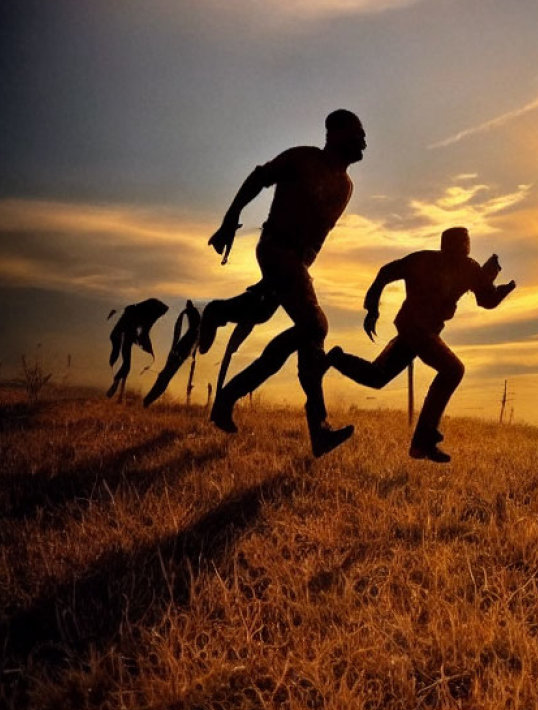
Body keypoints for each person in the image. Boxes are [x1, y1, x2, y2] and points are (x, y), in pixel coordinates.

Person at [205, 108, 366, 457]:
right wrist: (230, 218)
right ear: (335, 134)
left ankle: (226, 390)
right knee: (314, 325)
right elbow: (258, 178)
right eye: (357, 132)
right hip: (275, 249)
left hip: (296, 263)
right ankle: (317, 425)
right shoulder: (302, 159)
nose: (364, 140)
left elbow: (317, 235)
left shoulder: (345, 186)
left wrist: (296, 273)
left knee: (275, 322)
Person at [327, 227, 515, 462]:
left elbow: (486, 300)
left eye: (462, 246)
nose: (459, 251)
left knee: (377, 377)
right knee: (453, 370)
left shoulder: (468, 268)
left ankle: (335, 358)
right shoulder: (427, 261)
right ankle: (422, 441)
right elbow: (386, 272)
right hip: (416, 329)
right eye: (456, 246)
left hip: (417, 330)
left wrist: (501, 288)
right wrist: (372, 308)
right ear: (446, 246)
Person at [107, 298, 169, 399]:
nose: (161, 316)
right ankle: (117, 385)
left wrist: (148, 349)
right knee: (124, 363)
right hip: (124, 332)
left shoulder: (139, 310)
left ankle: (118, 390)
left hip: (124, 332)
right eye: (162, 313)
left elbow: (143, 334)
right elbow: (144, 334)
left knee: (125, 363)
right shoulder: (148, 314)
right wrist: (149, 350)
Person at [143, 300, 201, 407]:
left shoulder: (193, 327)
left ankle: (147, 401)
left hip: (180, 352)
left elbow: (179, 333)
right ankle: (147, 401)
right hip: (181, 352)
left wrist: (174, 350)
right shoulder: (194, 328)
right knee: (165, 377)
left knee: (164, 377)